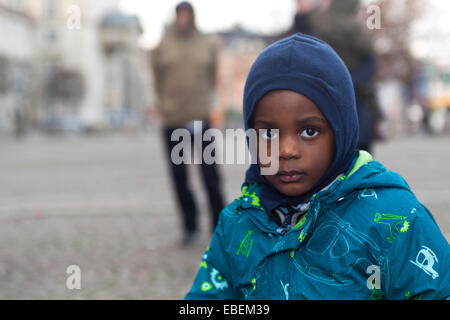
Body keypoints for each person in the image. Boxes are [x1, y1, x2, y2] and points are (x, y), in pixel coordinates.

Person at [185, 34, 449, 299]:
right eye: (268, 134)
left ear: (341, 131)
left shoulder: (396, 219)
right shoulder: (237, 223)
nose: (286, 150)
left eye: (309, 131)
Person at [152, 2, 225, 245]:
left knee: (209, 175)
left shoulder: (207, 44)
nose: (183, 19)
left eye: (187, 15)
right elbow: (157, 79)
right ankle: (189, 225)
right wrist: (164, 106)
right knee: (179, 178)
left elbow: (213, 75)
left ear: (192, 17)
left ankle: (219, 225)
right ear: (175, 17)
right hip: (173, 120)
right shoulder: (163, 45)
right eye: (179, 15)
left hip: (199, 119)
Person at [311, 0, 382, 153]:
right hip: (356, 90)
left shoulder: (318, 22)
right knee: (360, 148)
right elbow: (369, 53)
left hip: (327, 88)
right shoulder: (354, 27)